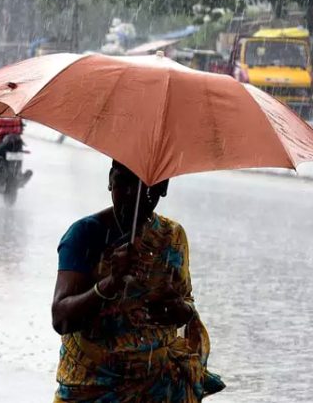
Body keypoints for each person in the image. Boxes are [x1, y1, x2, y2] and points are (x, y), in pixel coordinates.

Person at [51, 160, 225, 402]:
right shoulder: (85, 235)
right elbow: (61, 317)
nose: (133, 193)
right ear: (110, 180)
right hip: (91, 388)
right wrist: (110, 283)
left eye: (147, 186)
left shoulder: (172, 237)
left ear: (164, 188)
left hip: (156, 387)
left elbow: (186, 304)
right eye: (124, 181)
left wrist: (179, 310)